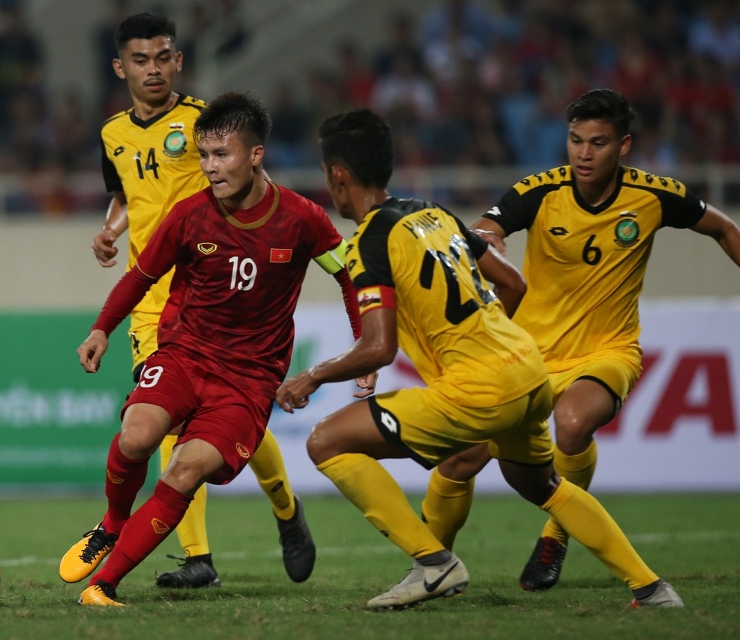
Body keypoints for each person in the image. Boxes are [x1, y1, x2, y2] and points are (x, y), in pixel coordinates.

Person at [275, 108, 683, 611]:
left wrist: (310, 378)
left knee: (326, 441)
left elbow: (378, 347)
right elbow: (513, 283)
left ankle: (433, 563)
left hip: (482, 386)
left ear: (337, 176)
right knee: (543, 485)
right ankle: (652, 589)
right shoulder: (435, 214)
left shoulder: (369, 242)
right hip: (529, 368)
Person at [420, 88, 740, 592]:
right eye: (575, 141)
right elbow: (484, 227)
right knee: (459, 459)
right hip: (529, 354)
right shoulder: (540, 191)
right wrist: (490, 240)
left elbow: (723, 228)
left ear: (624, 145)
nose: (584, 154)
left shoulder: (654, 195)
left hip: (607, 350)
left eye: (598, 142)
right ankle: (431, 568)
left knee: (571, 426)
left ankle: (555, 535)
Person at [61, 91, 362, 607]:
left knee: (184, 469)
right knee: (136, 437)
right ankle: (112, 523)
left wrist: (366, 346)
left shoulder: (303, 218)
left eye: (221, 155)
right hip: (184, 354)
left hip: (247, 380)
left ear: (255, 154)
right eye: (203, 156)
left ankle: (103, 586)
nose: (209, 167)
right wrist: (100, 329)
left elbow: (350, 279)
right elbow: (140, 276)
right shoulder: (189, 216)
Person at [74, 12, 318, 590]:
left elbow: (247, 191)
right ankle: (197, 557)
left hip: (213, 294)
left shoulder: (206, 124)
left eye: (163, 57)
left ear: (178, 61)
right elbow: (126, 193)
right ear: (121, 67)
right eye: (141, 59)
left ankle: (284, 506)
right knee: (161, 426)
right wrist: (111, 228)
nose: (153, 69)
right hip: (150, 298)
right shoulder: (113, 134)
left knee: (223, 420)